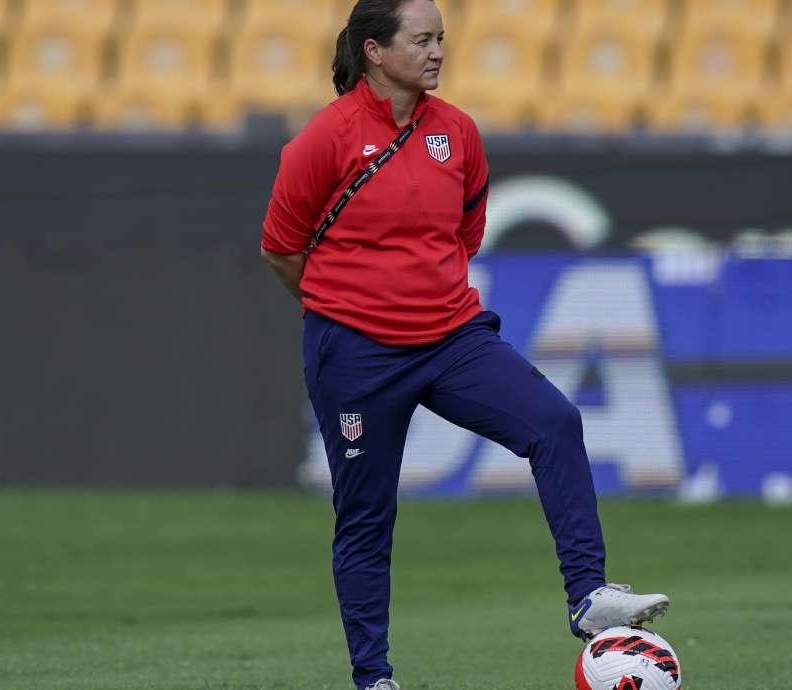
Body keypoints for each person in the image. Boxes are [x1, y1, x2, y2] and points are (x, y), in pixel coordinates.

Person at [259, 1, 669, 688]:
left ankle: (589, 595)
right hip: (356, 354)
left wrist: (420, 295)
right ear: (374, 52)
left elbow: (464, 232)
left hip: (450, 339)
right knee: (367, 517)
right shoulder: (322, 141)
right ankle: (374, 678)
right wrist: (345, 307)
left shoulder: (457, 133)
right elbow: (280, 250)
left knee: (555, 422)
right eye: (420, 40)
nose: (437, 52)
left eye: (441, 39)